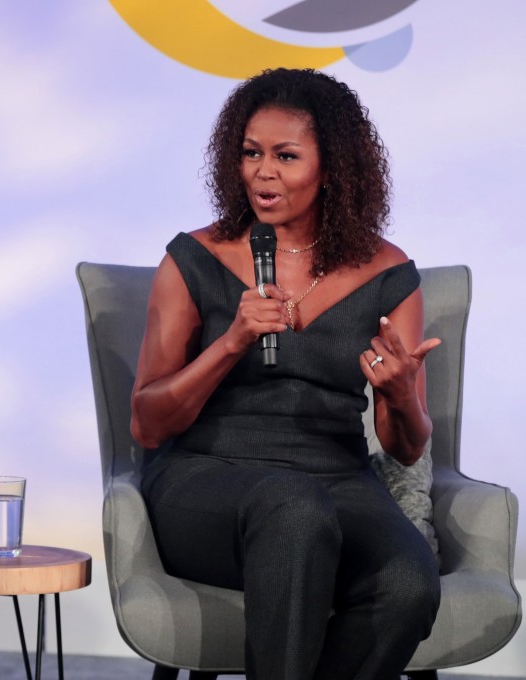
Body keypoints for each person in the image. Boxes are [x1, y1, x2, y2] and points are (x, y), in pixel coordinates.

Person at [131, 68, 441, 680]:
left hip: (338, 478)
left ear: (333, 168)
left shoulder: (387, 271)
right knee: (294, 508)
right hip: (206, 478)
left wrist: (402, 394)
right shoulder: (194, 258)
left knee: (408, 582)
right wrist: (231, 343)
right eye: (251, 153)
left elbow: (405, 449)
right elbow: (147, 424)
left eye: (285, 156)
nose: (262, 172)